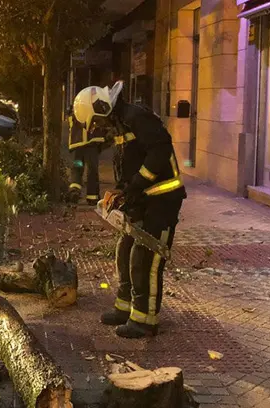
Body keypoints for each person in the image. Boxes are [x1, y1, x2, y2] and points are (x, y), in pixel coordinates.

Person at [72, 82, 186, 338]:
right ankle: (126, 309)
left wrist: (134, 186)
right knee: (125, 252)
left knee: (146, 258)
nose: (99, 128)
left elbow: (159, 151)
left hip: (162, 200)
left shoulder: (137, 118)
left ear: (103, 109)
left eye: (97, 122)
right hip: (143, 200)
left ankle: (145, 321)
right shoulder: (122, 124)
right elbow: (129, 163)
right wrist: (121, 191)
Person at [67, 110, 106, 205]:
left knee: (77, 167)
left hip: (77, 143)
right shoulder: (93, 106)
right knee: (92, 169)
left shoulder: (77, 106)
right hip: (91, 144)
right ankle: (92, 197)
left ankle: (74, 191)